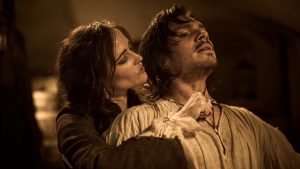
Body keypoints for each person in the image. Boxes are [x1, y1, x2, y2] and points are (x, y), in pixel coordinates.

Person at [104, 4, 300, 169]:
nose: (203, 36)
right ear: (163, 60)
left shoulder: (249, 122)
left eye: (204, 32)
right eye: (185, 34)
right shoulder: (135, 121)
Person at [55, 19, 208, 169]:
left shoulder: (143, 104)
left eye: (130, 48)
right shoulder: (73, 119)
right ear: (96, 80)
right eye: (123, 59)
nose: (138, 58)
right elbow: (102, 164)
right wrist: (179, 122)